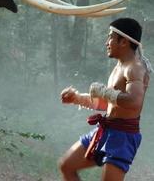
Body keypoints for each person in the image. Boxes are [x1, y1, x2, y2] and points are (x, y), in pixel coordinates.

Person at [58, 18, 151, 181]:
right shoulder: (119, 67)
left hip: (123, 136)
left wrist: (104, 92)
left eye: (110, 37)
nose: (107, 42)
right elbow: (110, 105)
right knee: (67, 166)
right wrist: (77, 98)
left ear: (123, 41)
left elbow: (134, 102)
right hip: (105, 130)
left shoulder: (134, 68)